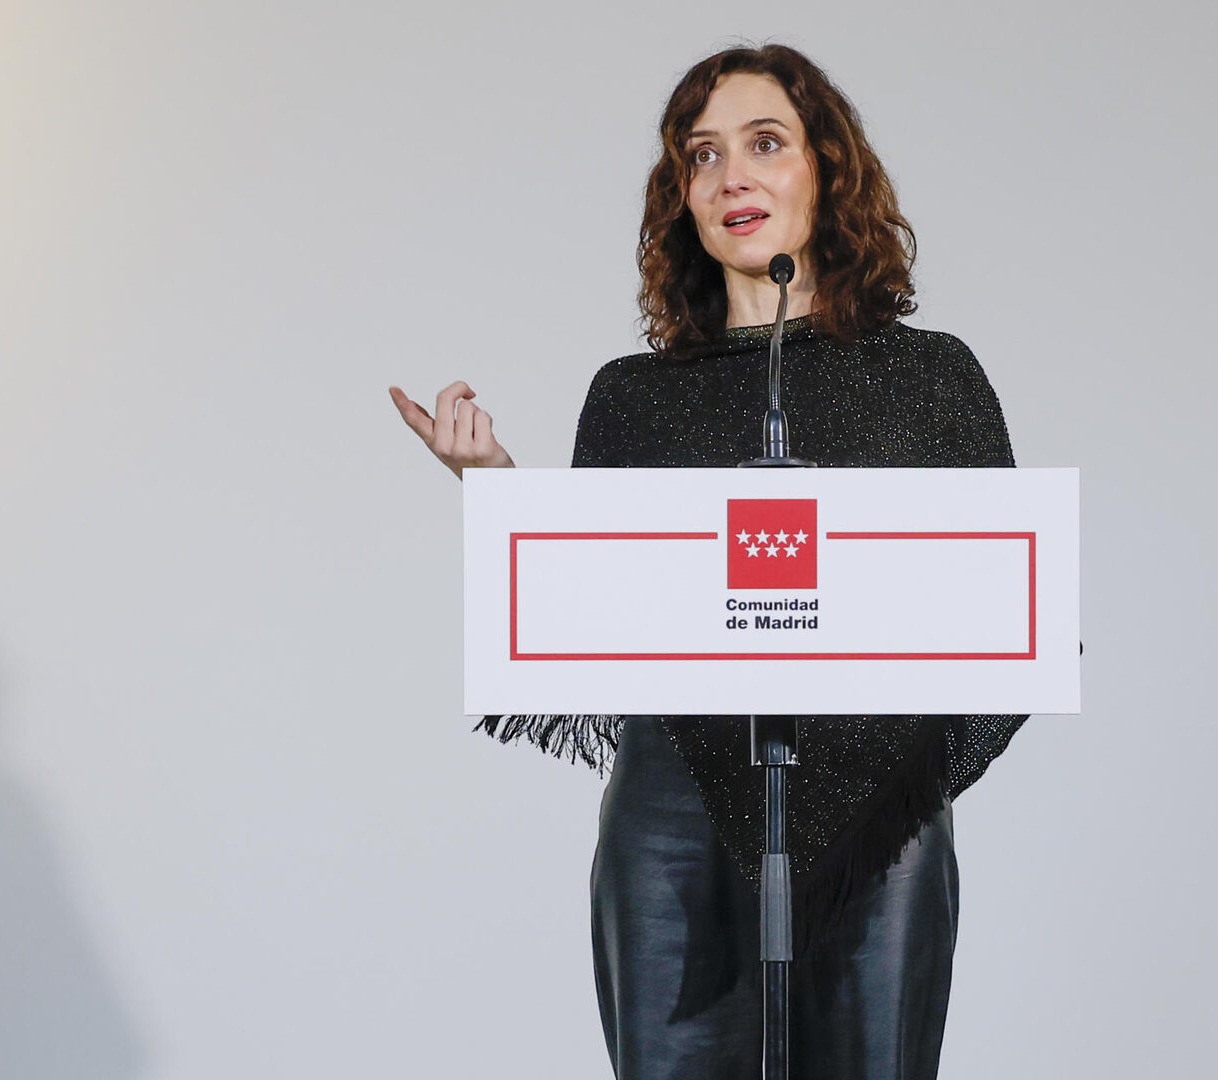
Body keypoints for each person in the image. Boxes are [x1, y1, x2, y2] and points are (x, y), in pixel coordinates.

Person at [388, 44, 1024, 1080]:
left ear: (826, 167)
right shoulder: (631, 397)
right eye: (703, 154)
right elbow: (589, 635)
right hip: (672, 822)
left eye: (765, 143)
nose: (731, 176)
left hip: (876, 816)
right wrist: (495, 486)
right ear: (681, 194)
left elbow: (1004, 619)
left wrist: (884, 785)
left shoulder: (932, 378)